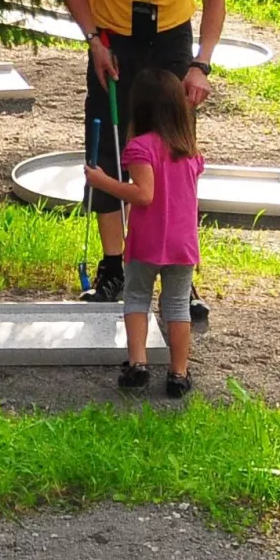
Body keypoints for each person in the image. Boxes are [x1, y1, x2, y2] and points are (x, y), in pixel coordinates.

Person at [62, 0, 224, 313]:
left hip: (171, 34)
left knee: (172, 154)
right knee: (111, 147)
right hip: (113, 35)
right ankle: (114, 266)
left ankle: (179, 272)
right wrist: (93, 40)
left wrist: (201, 63)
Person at [85, 68, 203, 398]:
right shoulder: (190, 151)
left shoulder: (140, 148)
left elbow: (144, 194)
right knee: (178, 306)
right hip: (182, 245)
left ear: (139, 109)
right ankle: (178, 373)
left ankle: (138, 364)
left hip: (148, 242)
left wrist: (102, 181)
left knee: (137, 298)